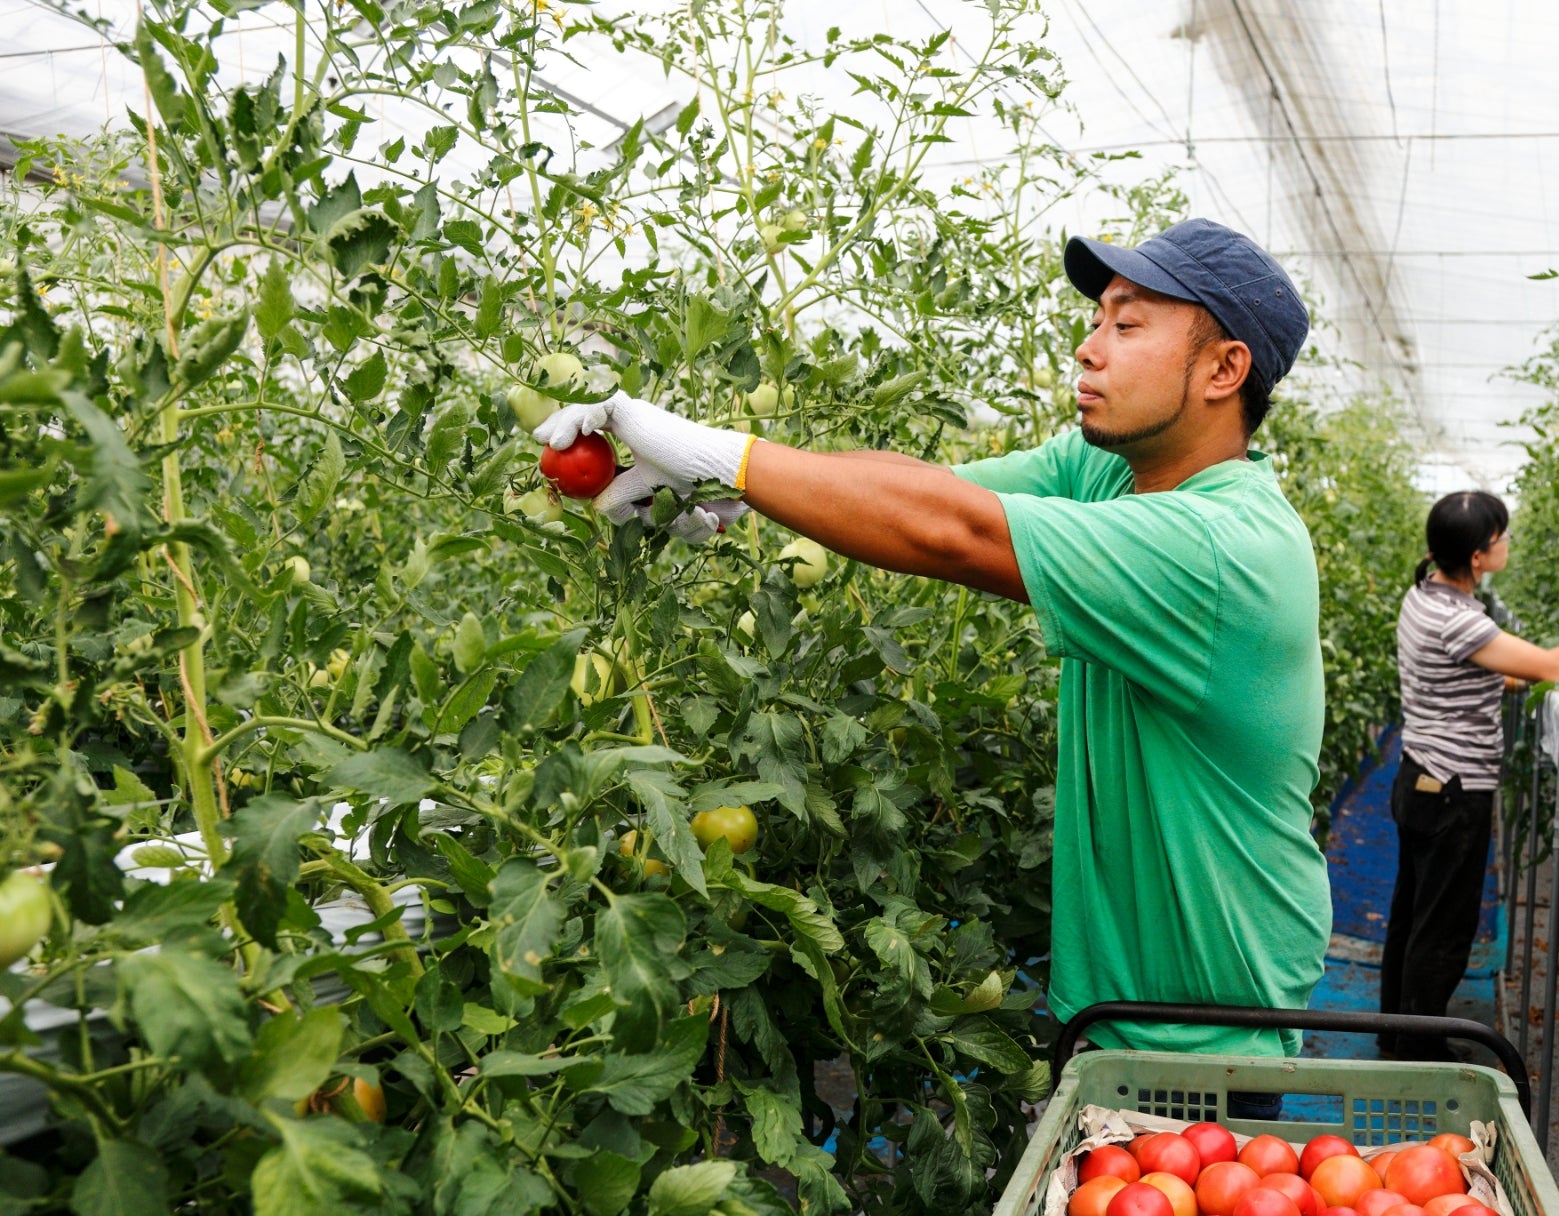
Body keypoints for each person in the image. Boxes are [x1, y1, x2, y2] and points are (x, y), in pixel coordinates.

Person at [532, 219, 1331, 1057]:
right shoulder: (1114, 471)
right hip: (1120, 1007)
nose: (1089, 348)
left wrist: (723, 455)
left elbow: (953, 531)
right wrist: (733, 487)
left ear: (1224, 369)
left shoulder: (1219, 549)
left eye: (1126, 325)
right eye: (1096, 320)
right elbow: (927, 487)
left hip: (1205, 1033)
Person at [1379, 490, 1559, 1060]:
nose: (1506, 543)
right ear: (1478, 557)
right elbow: (1553, 663)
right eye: (1500, 536)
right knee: (1444, 932)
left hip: (1422, 780)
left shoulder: (1423, 596)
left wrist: (1512, 674)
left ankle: (1397, 1035)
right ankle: (1420, 1058)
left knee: (1412, 918)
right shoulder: (1456, 619)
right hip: (1453, 790)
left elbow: (1475, 671)